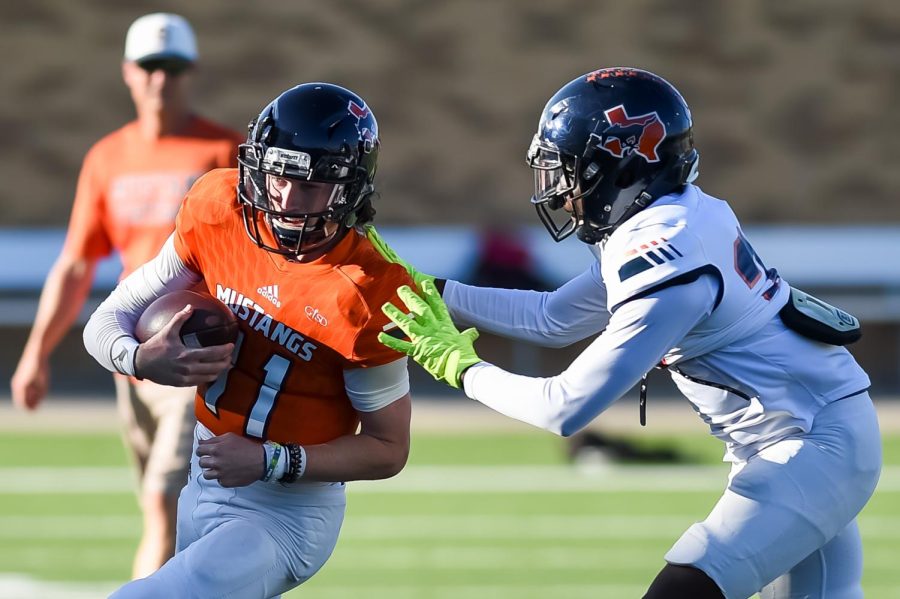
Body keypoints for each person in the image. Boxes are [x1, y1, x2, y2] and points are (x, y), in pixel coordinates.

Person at [371, 68, 881, 598]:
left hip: (811, 442)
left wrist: (459, 366)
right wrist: (428, 290)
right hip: (805, 434)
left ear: (617, 170)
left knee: (683, 591)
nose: (559, 194)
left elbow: (565, 408)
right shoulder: (670, 220)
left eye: (568, 173)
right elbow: (553, 317)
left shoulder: (665, 256)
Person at [83, 82, 413, 597]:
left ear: (348, 189)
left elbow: (389, 449)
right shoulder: (221, 210)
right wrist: (142, 360)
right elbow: (106, 321)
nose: (285, 197)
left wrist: (271, 459)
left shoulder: (366, 289)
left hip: (285, 513)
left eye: (309, 185)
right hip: (204, 476)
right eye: (278, 175)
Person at [10, 13, 244, 578]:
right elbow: (75, 265)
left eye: (173, 67)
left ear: (191, 73)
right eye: (150, 67)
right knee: (160, 509)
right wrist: (36, 354)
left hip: (194, 356)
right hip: (130, 358)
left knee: (167, 508)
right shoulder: (107, 157)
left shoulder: (223, 151)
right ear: (128, 74)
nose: (161, 79)